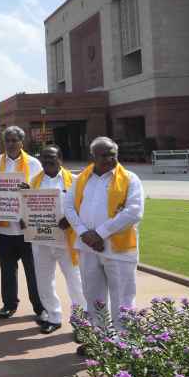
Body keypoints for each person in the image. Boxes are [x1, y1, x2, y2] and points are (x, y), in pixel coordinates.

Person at [63, 137, 144, 334]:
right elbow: (68, 207)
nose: (109, 158)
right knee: (93, 295)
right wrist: (84, 233)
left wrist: (99, 234)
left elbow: (134, 212)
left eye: (112, 154)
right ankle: (99, 338)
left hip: (118, 250)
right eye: (104, 155)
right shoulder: (82, 178)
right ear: (93, 156)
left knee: (122, 297)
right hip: (88, 248)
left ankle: (123, 342)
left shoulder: (130, 178)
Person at [20, 145, 86, 334]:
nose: (48, 161)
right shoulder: (33, 182)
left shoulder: (74, 181)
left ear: (60, 158)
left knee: (76, 283)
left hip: (67, 241)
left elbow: (83, 208)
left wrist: (71, 221)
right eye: (44, 158)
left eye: (52, 157)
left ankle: (81, 322)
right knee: (44, 281)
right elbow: (26, 210)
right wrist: (25, 220)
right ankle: (53, 316)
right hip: (41, 241)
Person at [0, 126, 45, 320]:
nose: (11, 144)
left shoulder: (34, 164)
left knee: (33, 270)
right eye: (8, 140)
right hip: (3, 228)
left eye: (15, 140)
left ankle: (40, 306)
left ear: (22, 142)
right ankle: (9, 304)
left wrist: (29, 189)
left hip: (26, 228)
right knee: (7, 269)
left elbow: (42, 193)